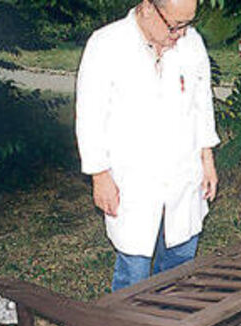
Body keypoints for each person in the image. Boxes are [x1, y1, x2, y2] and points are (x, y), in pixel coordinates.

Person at [75, 0, 220, 291]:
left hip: (184, 174)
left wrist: (207, 159)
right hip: (132, 179)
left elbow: (202, 104)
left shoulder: (192, 44)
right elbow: (89, 116)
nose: (181, 33)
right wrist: (100, 176)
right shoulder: (106, 44)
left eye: (187, 24)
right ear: (148, 7)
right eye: (175, 25)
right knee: (135, 269)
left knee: (181, 258)